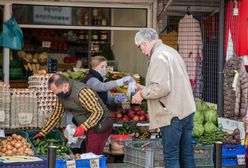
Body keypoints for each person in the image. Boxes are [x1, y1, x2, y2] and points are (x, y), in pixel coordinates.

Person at [131, 28, 196, 168]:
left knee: (171, 155)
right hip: (186, 110)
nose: (141, 50)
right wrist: (145, 88)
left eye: (139, 47)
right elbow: (170, 82)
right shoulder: (170, 51)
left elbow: (162, 87)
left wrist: (141, 94)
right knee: (186, 153)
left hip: (172, 114)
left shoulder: (158, 56)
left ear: (144, 43)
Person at [32, 73, 113, 155]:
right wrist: (43, 132)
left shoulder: (82, 92)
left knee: (92, 154)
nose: (55, 94)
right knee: (86, 152)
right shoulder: (61, 95)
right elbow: (56, 114)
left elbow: (98, 111)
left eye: (56, 91)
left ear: (65, 86)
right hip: (89, 126)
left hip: (101, 124)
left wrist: (83, 127)